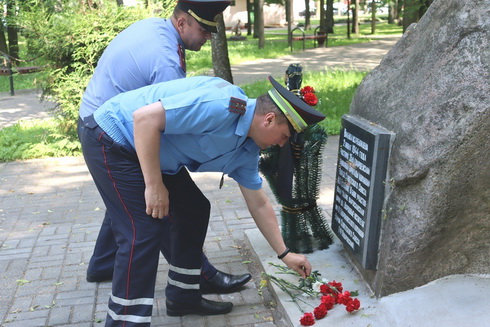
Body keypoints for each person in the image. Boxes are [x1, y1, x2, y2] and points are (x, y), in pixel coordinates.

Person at [79, 75, 322, 325]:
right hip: (113, 138)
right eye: (284, 136)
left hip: (155, 152)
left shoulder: (248, 149)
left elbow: (259, 203)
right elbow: (144, 119)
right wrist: (154, 186)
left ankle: (183, 296)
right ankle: (124, 322)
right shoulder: (221, 105)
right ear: (269, 119)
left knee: (194, 209)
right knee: (142, 231)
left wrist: (284, 254)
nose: (282, 145)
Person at [78, 0, 251, 294]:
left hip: (98, 123)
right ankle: (199, 277)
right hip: (110, 133)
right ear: (182, 23)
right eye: (203, 30)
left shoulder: (156, 28)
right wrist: (158, 183)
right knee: (165, 203)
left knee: (126, 194)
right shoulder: (166, 60)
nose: (208, 37)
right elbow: (167, 129)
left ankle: (102, 263)